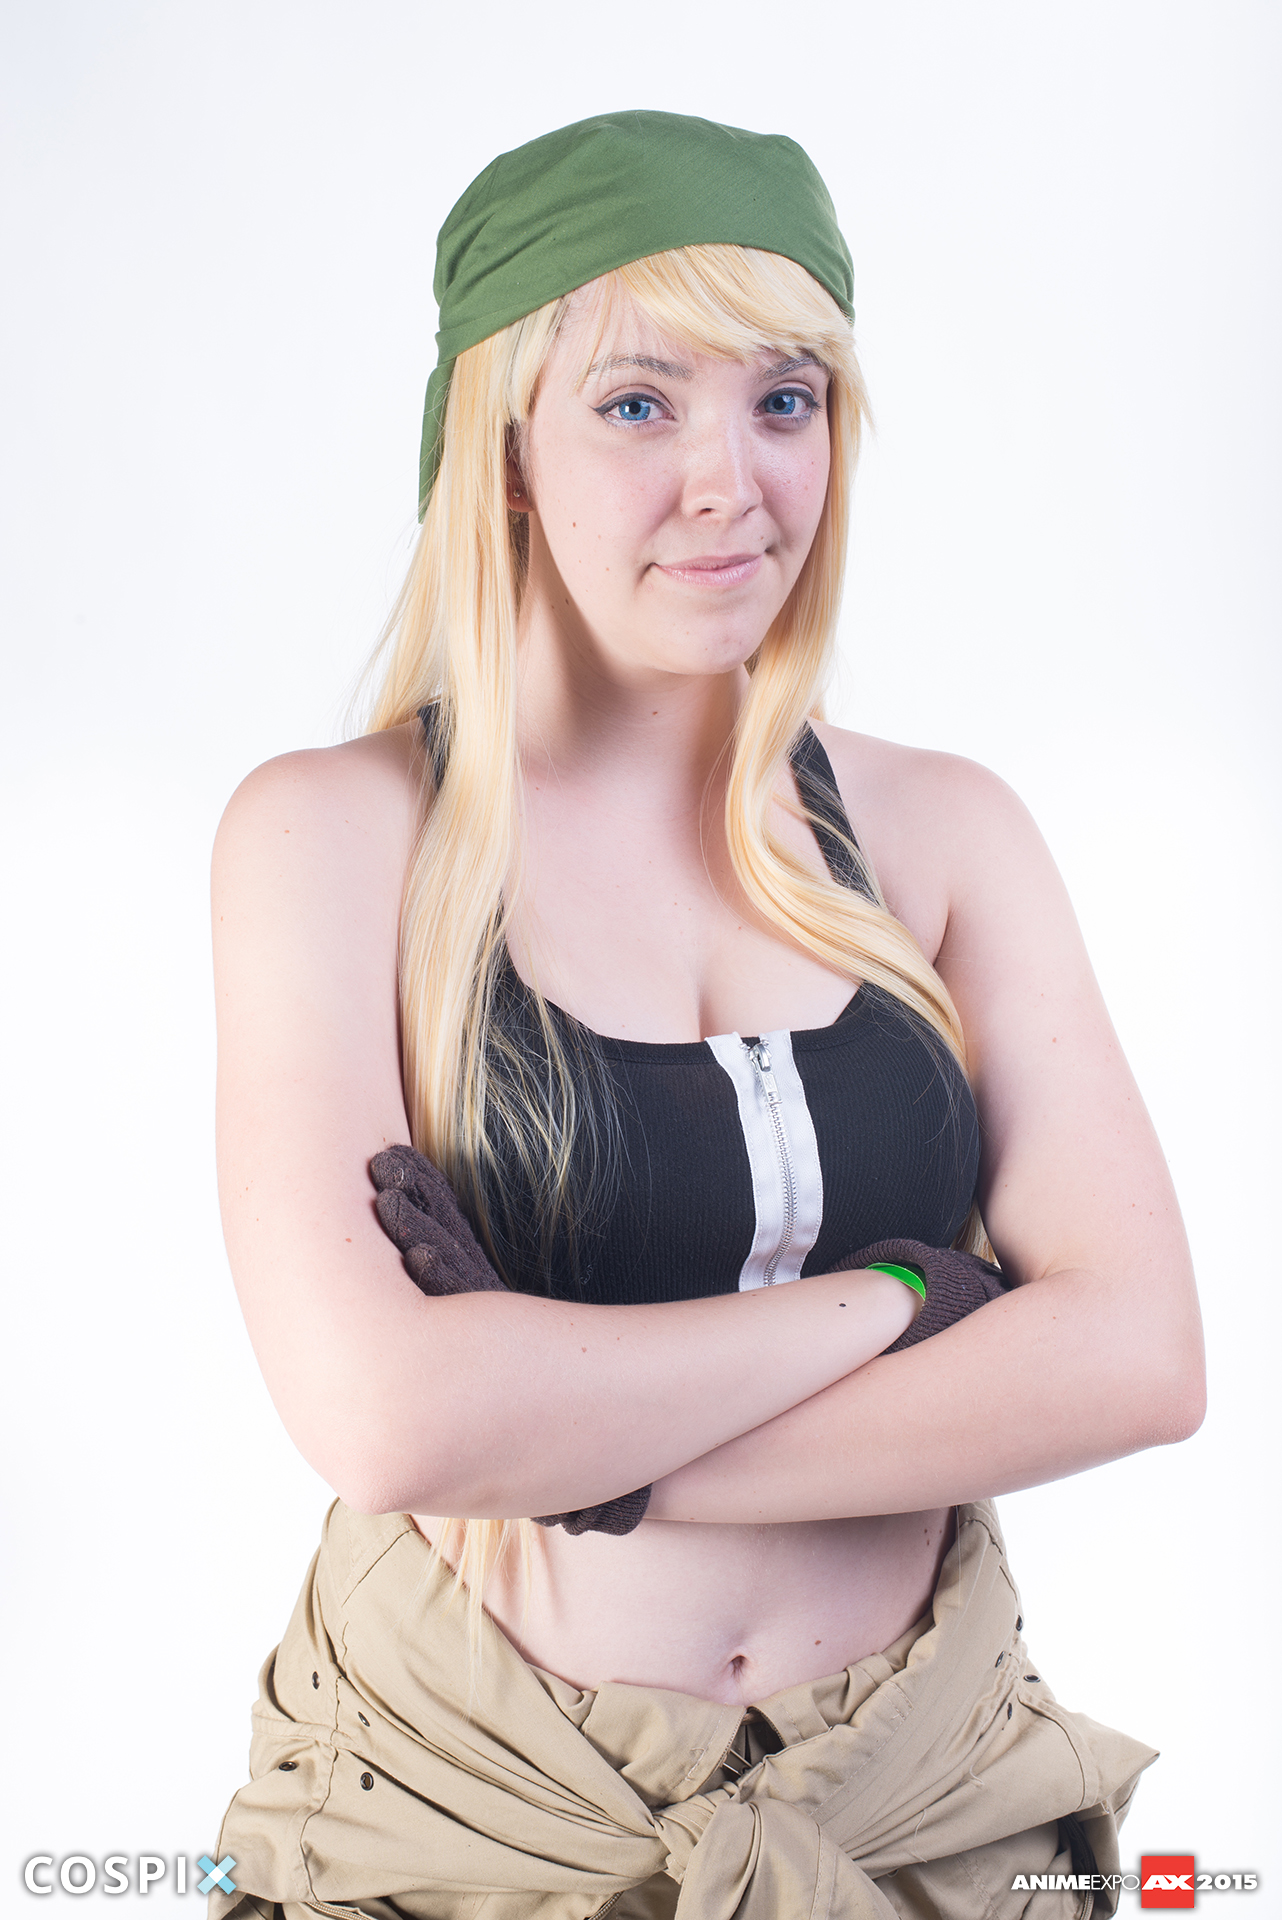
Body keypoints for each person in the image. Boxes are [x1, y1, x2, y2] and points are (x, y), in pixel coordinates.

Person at [209, 111, 1204, 1919]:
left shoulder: (941, 831)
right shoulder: (336, 839)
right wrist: (895, 1298)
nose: (732, 483)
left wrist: (573, 1444)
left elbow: (1140, 1356)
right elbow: (388, 1423)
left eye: (784, 400)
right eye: (637, 404)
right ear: (502, 447)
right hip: (470, 1808)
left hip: (926, 1801)